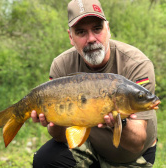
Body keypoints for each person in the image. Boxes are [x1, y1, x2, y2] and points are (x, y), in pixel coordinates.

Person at [31, 0, 157, 167]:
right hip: (90, 147)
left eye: (97, 29)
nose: (91, 39)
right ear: (71, 36)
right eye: (81, 32)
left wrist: (121, 121)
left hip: (133, 156)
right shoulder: (61, 65)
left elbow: (136, 143)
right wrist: (53, 121)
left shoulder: (137, 64)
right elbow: (60, 137)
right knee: (45, 159)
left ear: (108, 29)